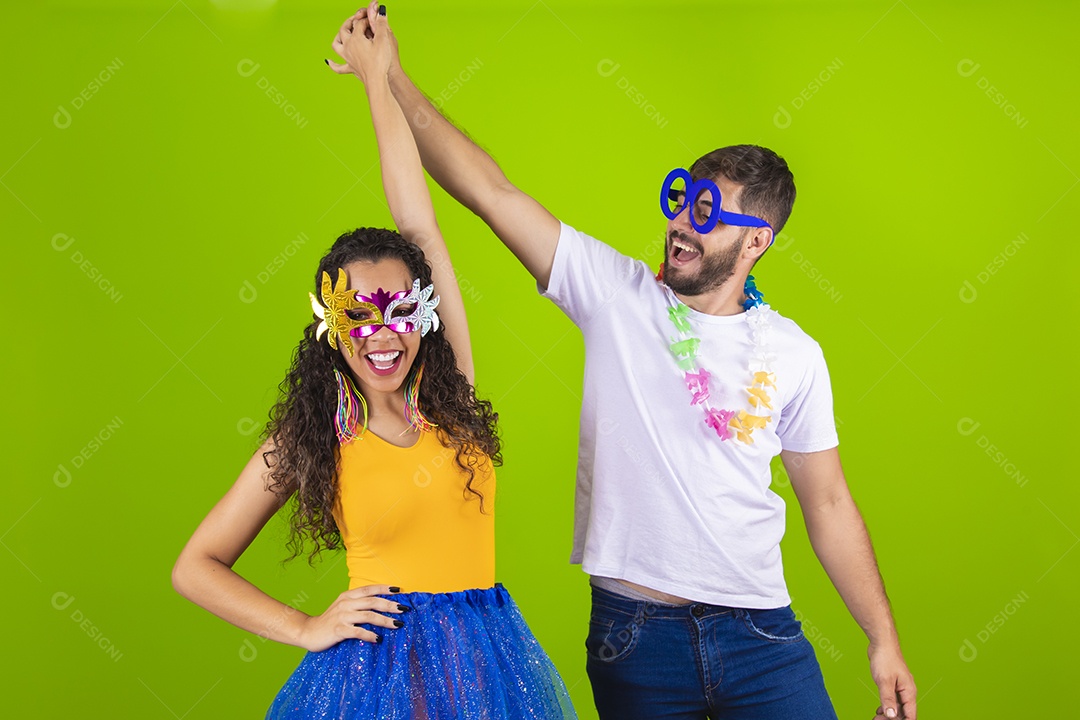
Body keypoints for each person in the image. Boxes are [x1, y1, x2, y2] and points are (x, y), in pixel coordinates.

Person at [324, 5, 919, 719]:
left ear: (756, 242)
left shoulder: (794, 352)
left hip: (762, 635)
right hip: (636, 639)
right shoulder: (614, 293)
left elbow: (828, 502)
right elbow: (489, 191)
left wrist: (882, 638)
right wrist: (391, 77)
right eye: (681, 201)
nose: (681, 224)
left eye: (708, 213)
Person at [172, 4, 577, 717]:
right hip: (376, 680)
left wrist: (378, 76)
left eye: (397, 310)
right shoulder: (317, 434)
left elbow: (419, 223)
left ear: (423, 313)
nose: (381, 334)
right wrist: (304, 627)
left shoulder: (454, 395)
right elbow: (195, 568)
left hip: (483, 669)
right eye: (358, 315)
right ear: (331, 328)